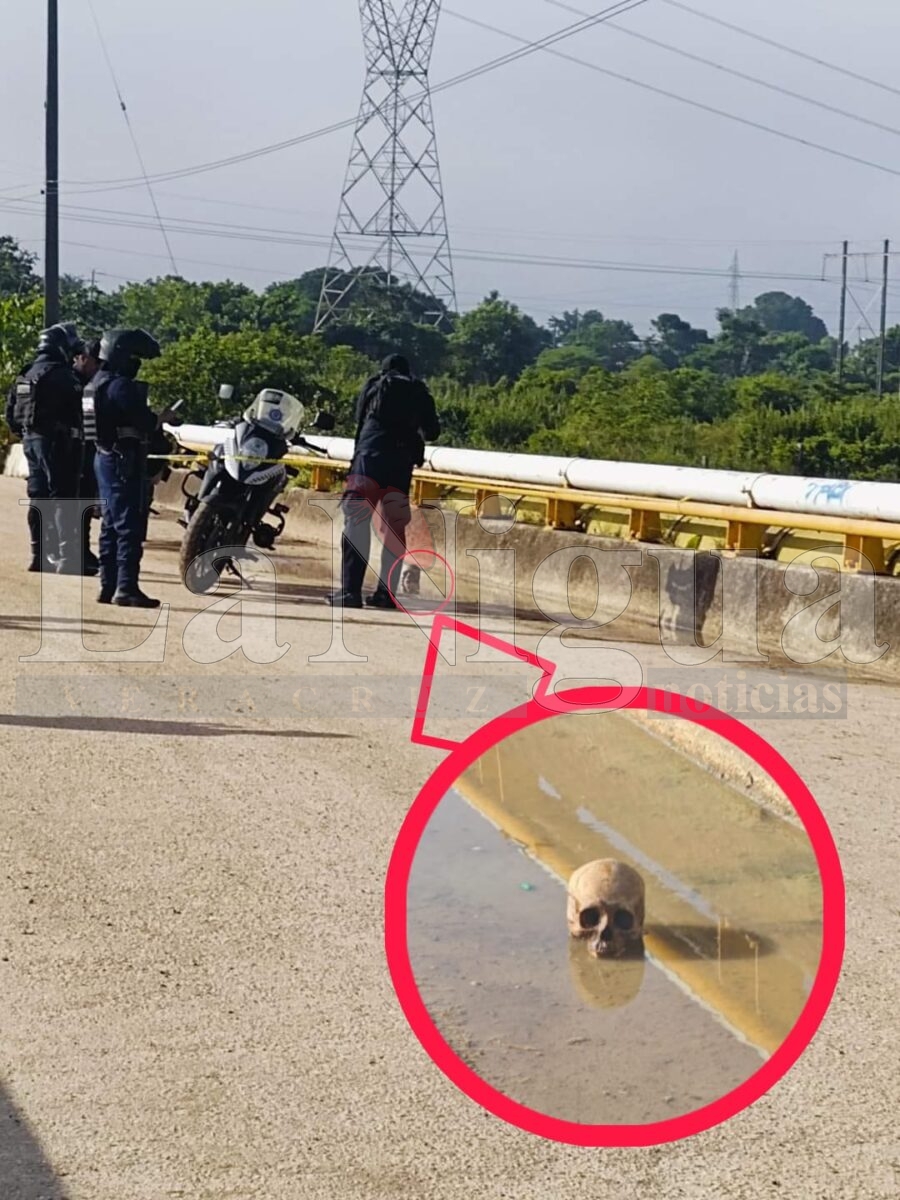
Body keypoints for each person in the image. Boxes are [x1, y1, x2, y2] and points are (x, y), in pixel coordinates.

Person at [327, 353, 440, 610]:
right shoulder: (419, 391)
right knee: (394, 530)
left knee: (356, 522)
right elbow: (433, 432)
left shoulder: (375, 385)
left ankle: (350, 592)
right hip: (399, 465)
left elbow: (359, 418)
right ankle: (385, 594)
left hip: (368, 461)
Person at [87, 328, 177, 608]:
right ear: (122, 355)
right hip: (123, 459)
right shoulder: (120, 386)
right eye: (135, 357)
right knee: (129, 525)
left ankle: (108, 585)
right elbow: (142, 421)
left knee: (111, 524)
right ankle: (126, 587)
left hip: (104, 457)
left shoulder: (95, 383)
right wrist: (161, 418)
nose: (137, 364)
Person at [5, 323, 88, 574]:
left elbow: (11, 415)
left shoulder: (26, 373)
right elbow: (80, 410)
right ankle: (67, 558)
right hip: (57, 442)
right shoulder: (62, 375)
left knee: (38, 498)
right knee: (63, 498)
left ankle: (38, 555)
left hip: (31, 442)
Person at [72, 338, 102, 574]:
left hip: (83, 449)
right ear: (81, 358)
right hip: (71, 451)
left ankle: (81, 550)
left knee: (84, 501)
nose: (97, 367)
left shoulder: (86, 382)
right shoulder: (71, 382)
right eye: (93, 361)